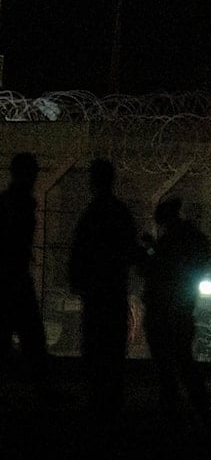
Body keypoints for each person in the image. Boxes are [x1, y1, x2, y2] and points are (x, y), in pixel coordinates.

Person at [69, 158, 140, 418]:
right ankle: (112, 401)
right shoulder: (119, 213)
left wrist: (78, 280)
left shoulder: (92, 214)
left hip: (96, 293)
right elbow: (131, 252)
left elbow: (80, 253)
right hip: (114, 291)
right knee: (113, 349)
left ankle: (97, 400)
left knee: (94, 347)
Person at [140, 197, 211, 418]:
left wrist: (148, 251)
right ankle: (194, 395)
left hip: (167, 303)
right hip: (181, 301)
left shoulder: (173, 239)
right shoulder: (190, 237)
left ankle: (178, 393)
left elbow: (159, 268)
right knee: (180, 351)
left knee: (168, 349)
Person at [0, 153, 60, 402]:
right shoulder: (18, 203)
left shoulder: (12, 201)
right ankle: (43, 389)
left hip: (10, 278)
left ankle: (42, 387)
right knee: (32, 335)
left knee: (27, 335)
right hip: (12, 279)